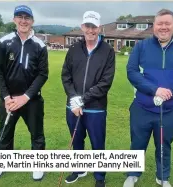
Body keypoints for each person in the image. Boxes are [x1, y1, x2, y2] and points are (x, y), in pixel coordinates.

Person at [123, 9, 173, 187]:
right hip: (142, 108)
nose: (163, 27)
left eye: (167, 23)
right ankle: (133, 174)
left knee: (164, 145)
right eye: (160, 23)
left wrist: (171, 91)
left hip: (169, 110)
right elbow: (131, 72)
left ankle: (162, 177)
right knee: (137, 142)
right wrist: (154, 90)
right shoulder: (141, 46)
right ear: (154, 26)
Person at [0, 5, 48, 181]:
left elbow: (42, 74)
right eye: (20, 17)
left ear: (32, 21)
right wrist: (7, 97)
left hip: (32, 99)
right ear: (14, 19)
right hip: (8, 99)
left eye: (27, 18)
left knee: (37, 133)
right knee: (5, 132)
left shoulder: (40, 45)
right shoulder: (4, 42)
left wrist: (26, 97)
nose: (23, 21)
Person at [61, 10, 115, 187]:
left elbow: (105, 82)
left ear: (99, 28)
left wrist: (82, 99)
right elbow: (66, 76)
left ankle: (99, 177)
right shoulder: (74, 48)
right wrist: (74, 99)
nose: (90, 30)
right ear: (82, 27)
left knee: (97, 143)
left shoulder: (108, 51)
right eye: (87, 26)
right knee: (76, 140)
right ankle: (79, 168)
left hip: (96, 108)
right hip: (73, 107)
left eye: (94, 27)